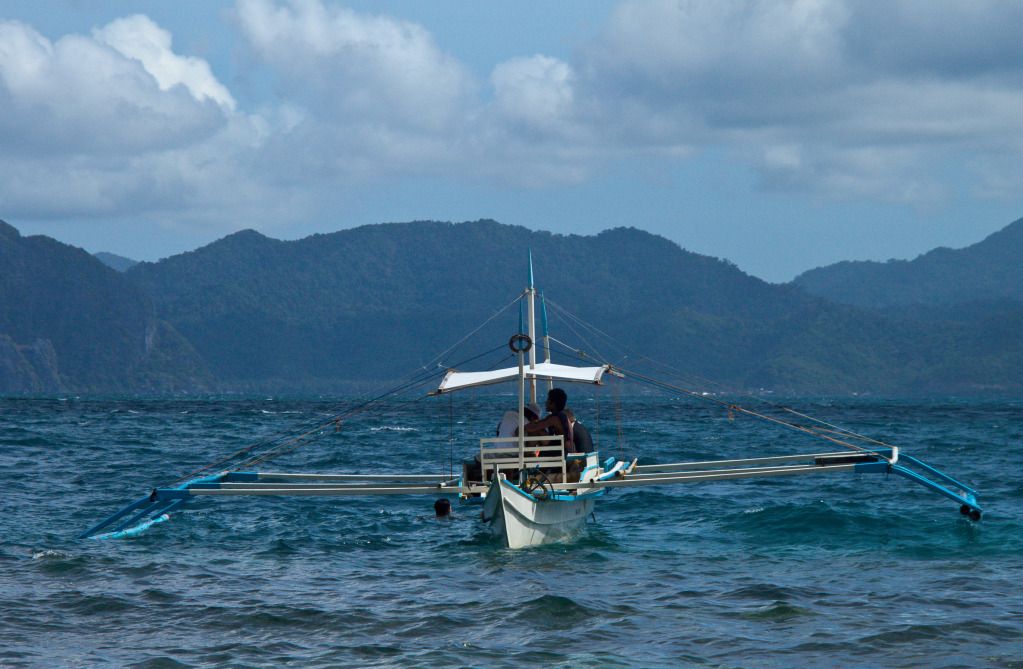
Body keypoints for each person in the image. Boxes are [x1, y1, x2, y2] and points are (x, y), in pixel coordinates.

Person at [525, 387, 575, 453]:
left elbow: (533, 427)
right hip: (565, 449)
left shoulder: (554, 418)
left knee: (536, 431)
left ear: (553, 403)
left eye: (548, 400)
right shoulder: (562, 415)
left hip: (562, 452)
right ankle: (529, 454)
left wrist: (521, 429)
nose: (546, 402)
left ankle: (528, 456)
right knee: (540, 431)